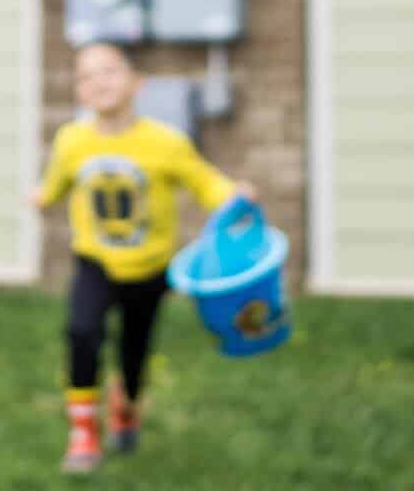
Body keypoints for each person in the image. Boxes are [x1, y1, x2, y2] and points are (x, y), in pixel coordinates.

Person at [31, 42, 255, 474]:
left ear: (137, 83)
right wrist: (42, 198)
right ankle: (83, 434)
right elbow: (58, 181)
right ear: (79, 91)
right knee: (82, 333)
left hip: (151, 268)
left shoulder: (165, 142)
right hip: (94, 260)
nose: (98, 81)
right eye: (86, 75)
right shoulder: (72, 140)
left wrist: (233, 196)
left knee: (133, 351)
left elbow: (205, 182)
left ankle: (127, 407)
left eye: (109, 70)